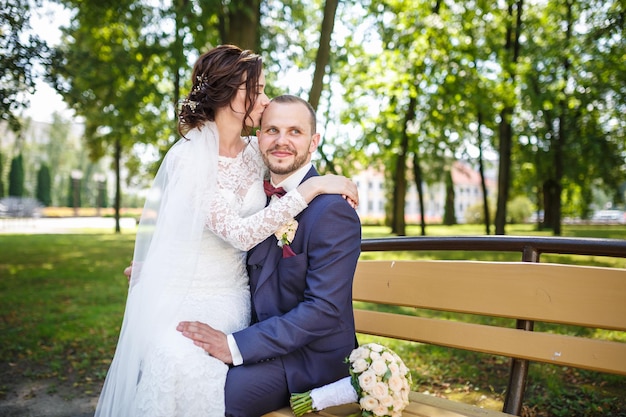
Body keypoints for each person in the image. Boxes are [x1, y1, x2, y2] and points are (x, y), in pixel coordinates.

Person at [94, 46, 358, 417]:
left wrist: (327, 183)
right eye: (259, 90)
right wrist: (159, 274)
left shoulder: (256, 151)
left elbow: (292, 161)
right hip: (195, 293)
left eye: (265, 90)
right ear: (232, 93)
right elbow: (233, 232)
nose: (265, 101)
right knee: (167, 359)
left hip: (240, 306)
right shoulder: (192, 158)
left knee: (190, 369)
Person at [177, 94, 362, 416]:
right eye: (272, 130)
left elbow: (324, 309)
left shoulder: (332, 210)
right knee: (177, 366)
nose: (282, 141)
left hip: (311, 358)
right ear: (258, 137)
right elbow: (220, 252)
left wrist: (234, 346)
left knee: (220, 397)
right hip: (261, 339)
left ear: (314, 141)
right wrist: (160, 272)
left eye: (295, 131)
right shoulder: (255, 202)